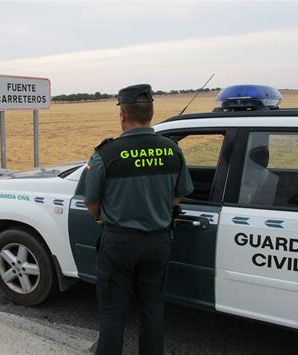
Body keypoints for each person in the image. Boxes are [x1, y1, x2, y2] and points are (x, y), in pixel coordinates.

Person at [76, 84, 194, 355]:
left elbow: (90, 202)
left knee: (113, 311)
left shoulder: (105, 154)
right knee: (152, 307)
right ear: (151, 112)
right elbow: (179, 197)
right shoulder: (172, 150)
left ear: (122, 115)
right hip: (158, 242)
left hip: (118, 243)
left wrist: (102, 218)